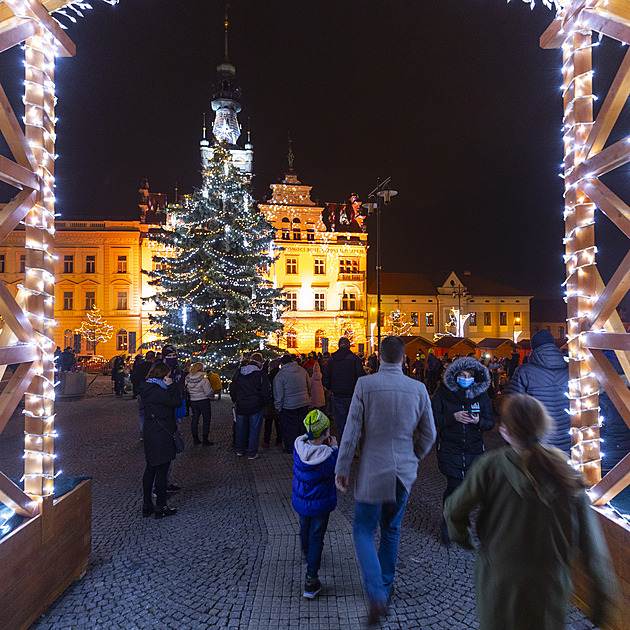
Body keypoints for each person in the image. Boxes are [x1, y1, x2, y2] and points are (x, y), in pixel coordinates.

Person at [444, 394, 617, 630]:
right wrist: (602, 603)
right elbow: (593, 548)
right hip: (549, 587)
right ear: (545, 426)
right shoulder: (567, 474)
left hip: (500, 580)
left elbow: (454, 510)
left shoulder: (490, 466)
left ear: (506, 430)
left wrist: (465, 540)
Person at [335, 336, 436, 625]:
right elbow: (429, 434)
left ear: (379, 358)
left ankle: (376, 594)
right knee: (392, 530)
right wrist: (413, 457)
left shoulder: (365, 385)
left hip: (373, 470)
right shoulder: (418, 389)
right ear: (404, 359)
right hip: (402, 472)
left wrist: (342, 468)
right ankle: (386, 589)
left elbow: (351, 430)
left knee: (364, 531)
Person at [431, 356, 493, 542]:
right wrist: (453, 417)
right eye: (462, 374)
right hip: (450, 447)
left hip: (473, 448)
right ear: (455, 375)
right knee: (454, 485)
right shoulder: (442, 393)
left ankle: (461, 519)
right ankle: (449, 524)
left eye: (469, 375)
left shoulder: (481, 395)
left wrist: (478, 421)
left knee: (468, 487)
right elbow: (433, 418)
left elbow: (490, 422)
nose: (465, 377)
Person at [292, 410, 338, 599]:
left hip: (302, 500)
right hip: (320, 503)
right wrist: (334, 448)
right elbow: (336, 469)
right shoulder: (326, 456)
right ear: (326, 432)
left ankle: (306, 553)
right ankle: (311, 580)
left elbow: (307, 438)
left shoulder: (298, 447)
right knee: (317, 536)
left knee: (305, 527)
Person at [508, 329, 571, 453]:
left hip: (536, 443)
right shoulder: (570, 369)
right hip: (567, 441)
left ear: (533, 348)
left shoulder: (523, 372)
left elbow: (513, 409)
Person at [138, 361, 182, 519]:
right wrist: (172, 387)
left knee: (150, 468)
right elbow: (176, 402)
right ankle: (161, 507)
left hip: (151, 431)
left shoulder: (147, 388)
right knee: (161, 471)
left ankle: (147, 504)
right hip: (161, 433)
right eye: (168, 376)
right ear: (163, 376)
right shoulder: (159, 391)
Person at [322, 337, 364, 443]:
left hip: (337, 395)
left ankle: (343, 445)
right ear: (349, 345)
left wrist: (330, 387)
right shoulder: (354, 359)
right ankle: (353, 445)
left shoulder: (332, 359)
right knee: (353, 421)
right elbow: (361, 376)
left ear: (338, 345)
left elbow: (326, 377)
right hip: (352, 395)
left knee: (341, 422)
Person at [230, 352, 271, 460]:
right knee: (254, 430)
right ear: (260, 362)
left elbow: (233, 387)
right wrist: (265, 402)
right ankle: (252, 453)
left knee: (240, 428)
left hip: (241, 404)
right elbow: (266, 391)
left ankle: (239, 449)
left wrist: (234, 399)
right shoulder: (260, 375)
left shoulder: (239, 372)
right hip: (256, 405)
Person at [274, 354, 311, 454]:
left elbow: (279, 394)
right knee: (302, 427)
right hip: (304, 402)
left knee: (289, 428)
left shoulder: (280, 376)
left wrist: (278, 407)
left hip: (288, 406)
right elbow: (309, 384)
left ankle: (290, 448)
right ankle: (303, 447)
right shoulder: (302, 370)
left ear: (282, 363)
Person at [185, 362, 213, 446]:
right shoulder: (204, 379)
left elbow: (186, 389)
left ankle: (195, 438)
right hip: (203, 400)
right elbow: (208, 391)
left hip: (193, 400)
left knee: (195, 419)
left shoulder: (187, 378)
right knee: (206, 419)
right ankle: (205, 439)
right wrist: (211, 394)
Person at [134, 350, 156, 440]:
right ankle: (152, 432)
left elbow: (135, 380)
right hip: (152, 392)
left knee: (142, 414)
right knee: (153, 413)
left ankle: (143, 433)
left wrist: (136, 392)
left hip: (141, 392)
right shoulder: (154, 367)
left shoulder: (139, 367)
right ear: (153, 358)